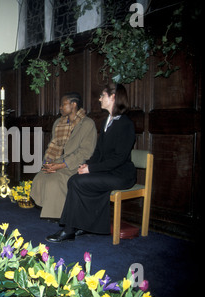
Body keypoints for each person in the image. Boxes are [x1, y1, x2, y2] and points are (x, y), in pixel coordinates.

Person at [46, 83, 136, 243]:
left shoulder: (125, 124)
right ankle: (82, 225)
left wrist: (91, 169)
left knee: (77, 182)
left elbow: (118, 159)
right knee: (74, 179)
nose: (100, 98)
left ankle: (69, 230)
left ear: (113, 97)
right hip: (108, 172)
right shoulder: (107, 122)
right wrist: (86, 165)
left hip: (121, 175)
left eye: (103, 95)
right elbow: (99, 153)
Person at [30, 92, 97, 220]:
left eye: (63, 104)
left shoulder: (87, 124)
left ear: (74, 105)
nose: (60, 107)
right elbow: (52, 145)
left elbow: (85, 152)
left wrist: (61, 165)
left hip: (75, 165)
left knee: (54, 181)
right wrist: (48, 163)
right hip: (58, 162)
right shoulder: (58, 123)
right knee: (40, 177)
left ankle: (60, 216)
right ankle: (51, 210)